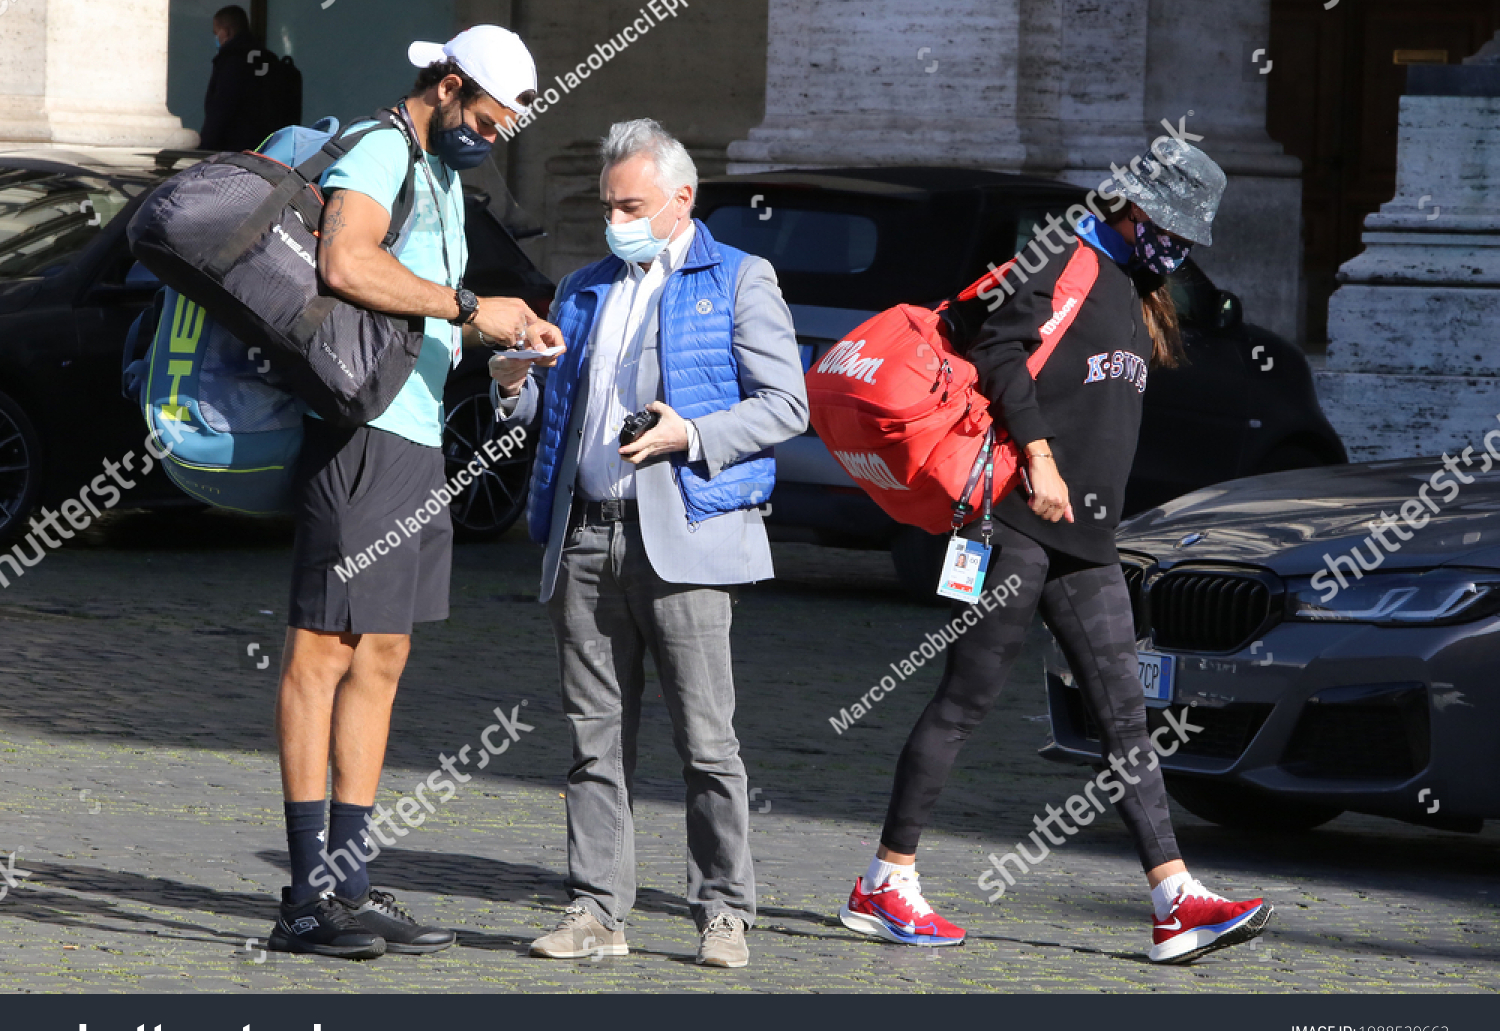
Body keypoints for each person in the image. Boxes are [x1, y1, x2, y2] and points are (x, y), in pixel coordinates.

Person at [838, 140, 1273, 965]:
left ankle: (1175, 898)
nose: (1176, 245)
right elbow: (997, 348)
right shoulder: (1061, 256)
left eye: (1186, 234)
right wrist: (1038, 456)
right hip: (1017, 518)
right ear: (1131, 207)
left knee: (1124, 718)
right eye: (1168, 225)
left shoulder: (1137, 286)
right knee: (965, 702)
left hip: (1086, 535)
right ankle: (885, 880)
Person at [267, 25, 564, 960]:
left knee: (383, 653)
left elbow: (419, 298)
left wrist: (499, 348)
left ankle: (350, 881)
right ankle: (306, 898)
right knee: (323, 650)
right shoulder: (383, 146)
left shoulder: (440, 175)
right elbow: (346, 263)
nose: (492, 133)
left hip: (416, 434)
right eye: (485, 115)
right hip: (360, 434)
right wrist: (475, 307)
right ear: (447, 84)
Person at [490, 118, 808, 969]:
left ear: (680, 200)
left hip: (688, 537)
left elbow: (787, 405)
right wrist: (514, 385)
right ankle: (596, 910)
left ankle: (726, 911)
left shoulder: (739, 277)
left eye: (631, 204)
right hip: (587, 536)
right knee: (593, 740)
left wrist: (689, 434)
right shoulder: (584, 288)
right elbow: (547, 420)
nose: (615, 219)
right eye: (606, 205)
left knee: (707, 741)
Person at [201, 5, 266, 152]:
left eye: (216, 32)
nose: (216, 38)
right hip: (268, 148)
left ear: (227, 32)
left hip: (234, 149)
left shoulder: (232, 60)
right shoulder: (266, 59)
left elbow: (222, 107)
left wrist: (205, 147)